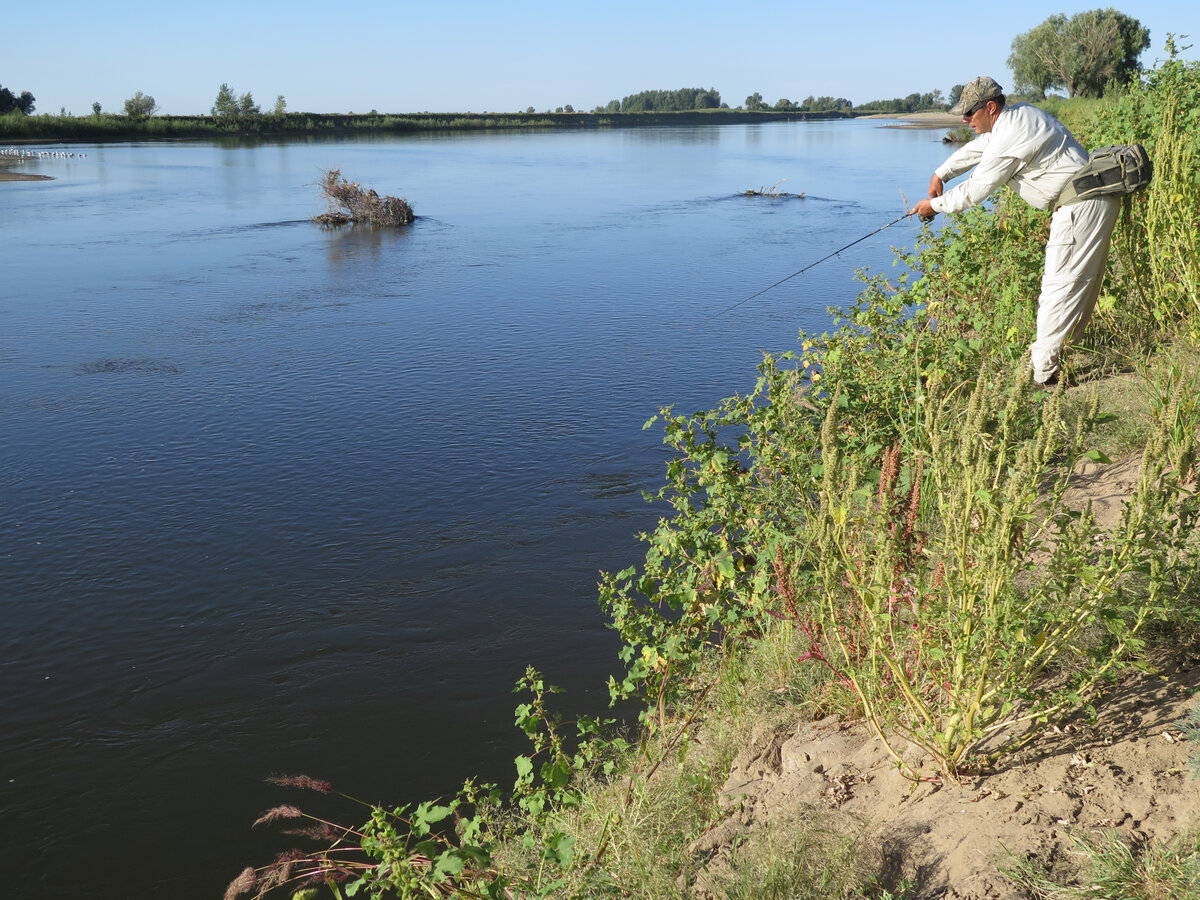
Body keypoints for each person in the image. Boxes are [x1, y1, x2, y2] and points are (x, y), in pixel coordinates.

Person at [910, 76, 1121, 386]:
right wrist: (941, 173)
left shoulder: (1011, 132)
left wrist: (935, 206)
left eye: (970, 113)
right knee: (1078, 284)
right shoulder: (1019, 115)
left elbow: (977, 189)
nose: (965, 120)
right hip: (1093, 199)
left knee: (1057, 289)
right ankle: (1056, 359)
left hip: (1081, 204)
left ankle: (1043, 377)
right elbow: (981, 147)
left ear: (990, 107)